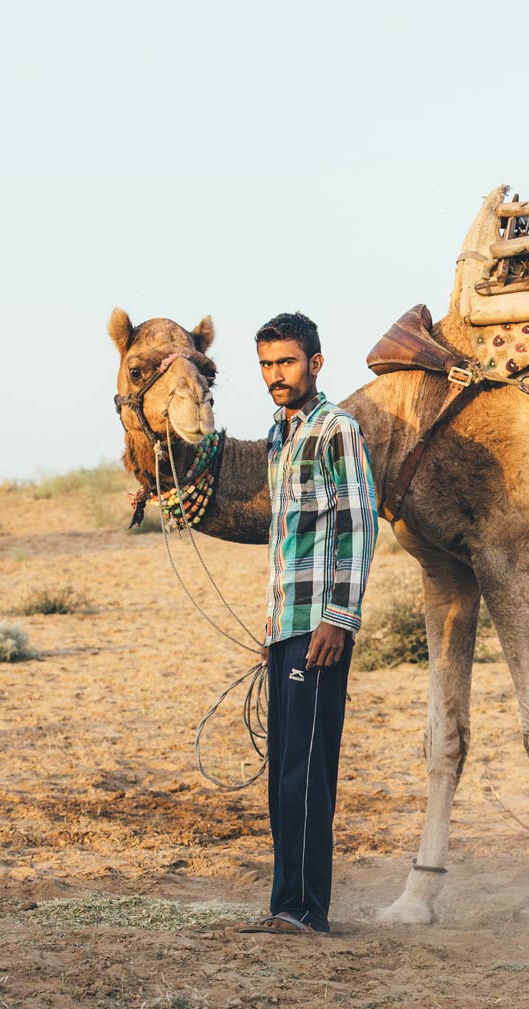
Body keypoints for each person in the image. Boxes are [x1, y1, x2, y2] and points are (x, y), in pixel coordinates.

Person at [238, 311, 377, 936]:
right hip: (283, 624)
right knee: (283, 765)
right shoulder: (279, 434)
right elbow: (287, 539)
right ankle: (283, 906)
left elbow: (357, 524)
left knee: (308, 767)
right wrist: (271, 629)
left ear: (315, 363)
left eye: (286, 362)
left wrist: (339, 619)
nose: (276, 375)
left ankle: (307, 912)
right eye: (267, 365)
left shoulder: (335, 430)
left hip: (320, 628)